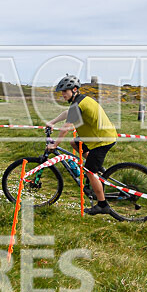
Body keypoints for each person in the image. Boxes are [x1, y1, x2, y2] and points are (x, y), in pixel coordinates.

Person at [45, 74, 117, 215]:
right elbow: (67, 113)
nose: (63, 94)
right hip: (100, 137)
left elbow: (66, 128)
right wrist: (52, 122)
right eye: (62, 92)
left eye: (65, 91)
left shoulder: (78, 104)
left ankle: (102, 205)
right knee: (74, 142)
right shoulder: (81, 101)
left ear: (75, 90)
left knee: (90, 170)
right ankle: (97, 168)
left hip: (101, 141)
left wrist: (55, 145)